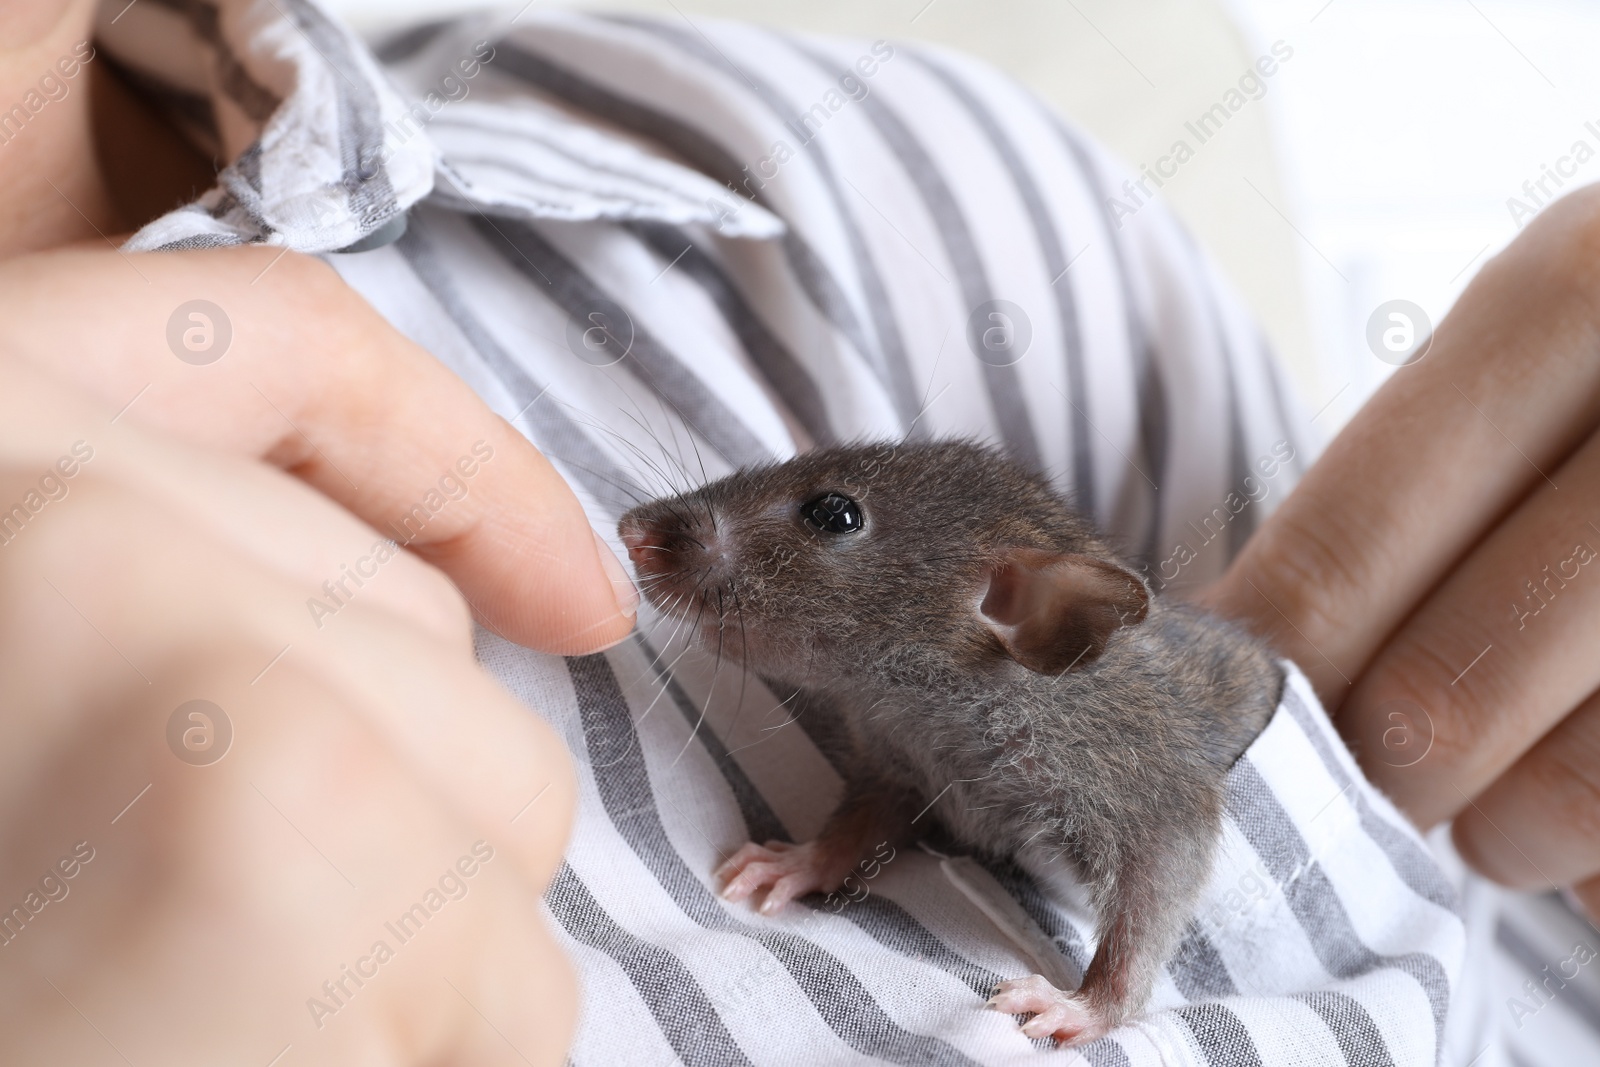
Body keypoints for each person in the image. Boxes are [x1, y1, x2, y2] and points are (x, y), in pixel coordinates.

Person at [0, 0, 1590, 1063]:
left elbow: (1203, 833)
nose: (669, 534)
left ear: (1022, 613)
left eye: (824, 517)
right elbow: (902, 765)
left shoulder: (878, 186)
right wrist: (834, 846)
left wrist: (1112, 997)